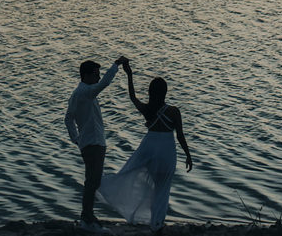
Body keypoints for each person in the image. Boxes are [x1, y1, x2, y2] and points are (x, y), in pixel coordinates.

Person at [97, 59, 192, 234]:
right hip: (166, 151)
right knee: (163, 189)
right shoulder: (173, 111)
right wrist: (188, 155)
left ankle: (152, 221)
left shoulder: (148, 110)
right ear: (165, 92)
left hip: (149, 148)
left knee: (131, 174)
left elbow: (132, 97)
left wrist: (129, 75)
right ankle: (157, 223)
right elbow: (180, 136)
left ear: (150, 92)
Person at [66, 56, 127, 232]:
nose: (98, 77)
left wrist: (76, 138)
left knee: (93, 180)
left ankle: (88, 216)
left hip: (90, 142)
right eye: (96, 74)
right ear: (86, 75)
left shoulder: (79, 93)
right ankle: (87, 218)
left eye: (99, 74)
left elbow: (68, 118)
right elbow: (104, 84)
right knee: (93, 181)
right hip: (92, 143)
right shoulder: (85, 91)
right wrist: (116, 65)